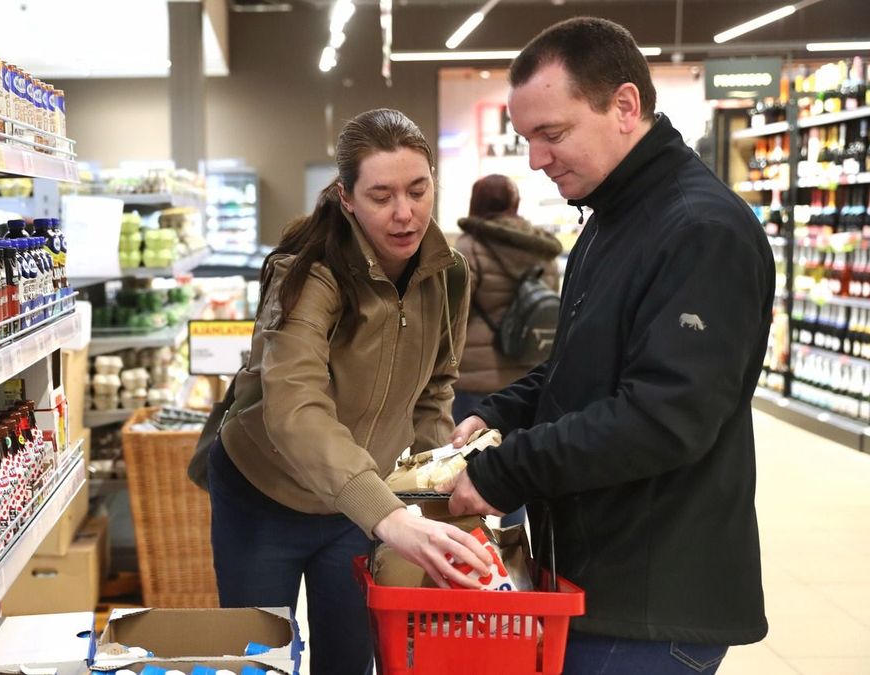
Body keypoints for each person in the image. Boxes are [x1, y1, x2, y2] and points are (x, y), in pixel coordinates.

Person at [442, 17, 771, 674]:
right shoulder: (610, 219)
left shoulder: (699, 230)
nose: (536, 158)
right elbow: (582, 365)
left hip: (653, 601)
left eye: (552, 133)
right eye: (528, 137)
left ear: (625, 106)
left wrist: (504, 473)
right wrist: (503, 411)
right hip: (599, 579)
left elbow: (663, 416)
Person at [206, 108, 491, 675]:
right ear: (347, 197)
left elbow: (436, 387)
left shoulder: (448, 273)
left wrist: (428, 488)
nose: (404, 213)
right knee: (258, 662)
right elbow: (295, 407)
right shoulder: (309, 275)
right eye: (382, 196)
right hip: (265, 494)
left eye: (418, 190)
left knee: (352, 658)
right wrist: (387, 516)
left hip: (360, 507)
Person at [453, 174, 562, 529]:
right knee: (510, 468)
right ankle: (514, 545)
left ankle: (471, 550)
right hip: (528, 375)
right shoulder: (543, 248)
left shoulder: (469, 247)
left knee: (465, 466)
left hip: (476, 375)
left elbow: (455, 312)